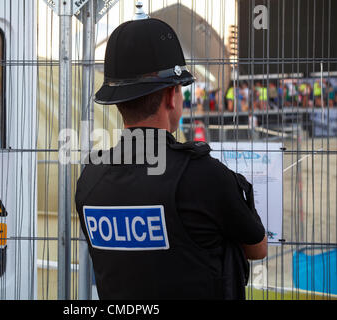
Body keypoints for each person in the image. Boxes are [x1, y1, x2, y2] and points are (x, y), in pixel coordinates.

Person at [75, 15, 267, 300]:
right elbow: (257, 248)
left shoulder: (90, 180)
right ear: (171, 95)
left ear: (118, 101)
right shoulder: (203, 176)